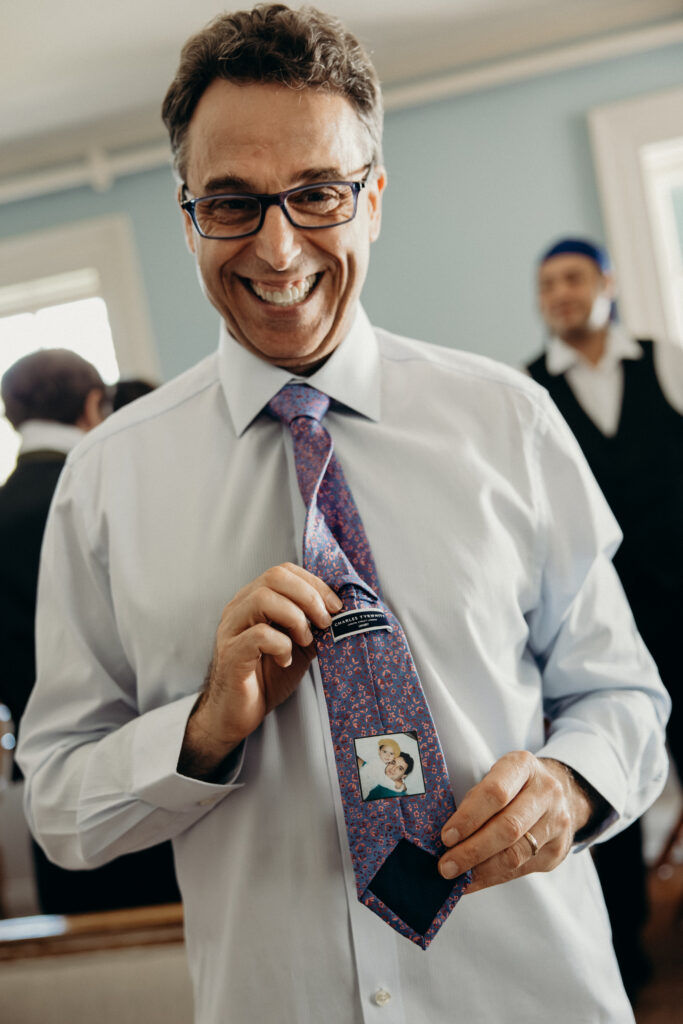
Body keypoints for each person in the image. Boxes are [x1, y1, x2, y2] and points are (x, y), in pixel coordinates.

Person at [17, 8, 668, 1022]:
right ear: (189, 215)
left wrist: (572, 786)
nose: (277, 249)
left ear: (371, 197)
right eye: (231, 202)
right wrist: (197, 734)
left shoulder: (509, 420)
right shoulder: (105, 482)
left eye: (317, 192)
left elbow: (621, 695)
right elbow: (58, 803)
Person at [527, 237, 683, 998]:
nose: (559, 293)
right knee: (601, 778)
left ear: (605, 284)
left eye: (573, 278)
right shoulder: (524, 394)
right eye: (547, 283)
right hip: (596, 630)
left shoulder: (667, 363)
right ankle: (624, 950)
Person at [0, 348, 179, 914]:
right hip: (151, 770)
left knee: (94, 967)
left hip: (53, 797)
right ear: (91, 404)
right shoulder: (106, 494)